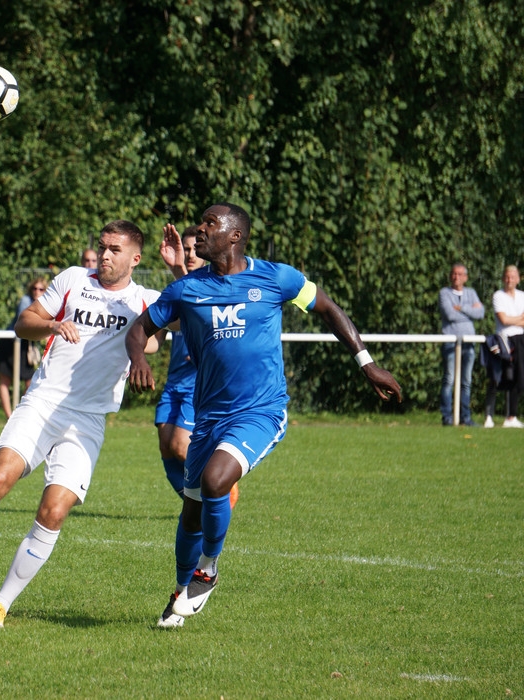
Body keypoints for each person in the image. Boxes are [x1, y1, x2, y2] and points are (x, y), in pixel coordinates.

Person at [127, 204, 402, 621]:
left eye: (210, 224)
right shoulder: (186, 290)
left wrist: (367, 363)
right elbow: (140, 328)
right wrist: (138, 359)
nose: (199, 231)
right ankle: (181, 590)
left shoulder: (276, 277)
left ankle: (208, 570)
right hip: (209, 417)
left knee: (216, 480)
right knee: (192, 512)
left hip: (261, 410)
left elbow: (328, 308)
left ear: (235, 236)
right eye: (200, 224)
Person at [0, 220, 166, 629]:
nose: (104, 255)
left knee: (54, 510)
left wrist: (177, 270)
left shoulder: (145, 300)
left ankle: (0, 604)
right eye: (102, 246)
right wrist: (51, 324)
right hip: (43, 402)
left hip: (88, 421)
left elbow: (186, 310)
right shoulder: (73, 279)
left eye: (114, 250)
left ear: (135, 258)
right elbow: (24, 322)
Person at [154, 227, 237, 628]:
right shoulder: (185, 286)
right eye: (184, 249)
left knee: (182, 448)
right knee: (167, 445)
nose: (189, 253)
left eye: (192, 248)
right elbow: (174, 313)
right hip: (176, 382)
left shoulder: (215, 287)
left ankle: (219, 492)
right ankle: (203, 501)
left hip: (197, 386)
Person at [0, 277, 47, 418]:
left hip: (24, 346)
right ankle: (9, 417)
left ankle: (19, 415)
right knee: (5, 380)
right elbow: (26, 323)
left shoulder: (46, 303)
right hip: (10, 344)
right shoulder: (25, 301)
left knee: (30, 382)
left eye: (41, 289)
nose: (37, 292)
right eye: (34, 288)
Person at [438, 263, 484, 427]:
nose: (456, 277)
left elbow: (481, 313)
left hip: (469, 342)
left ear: (465, 277)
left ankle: (465, 417)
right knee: (449, 379)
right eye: (454, 273)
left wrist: (461, 308)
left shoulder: (471, 293)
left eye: (460, 274)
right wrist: (470, 311)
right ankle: (447, 417)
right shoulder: (444, 293)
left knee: (466, 381)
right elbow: (449, 314)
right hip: (450, 342)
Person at [483, 264, 524, 428]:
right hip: (504, 340)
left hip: (521, 338)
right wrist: (519, 319)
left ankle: (511, 416)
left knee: (518, 377)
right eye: (507, 277)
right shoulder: (498, 296)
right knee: (499, 376)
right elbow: (503, 320)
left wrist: (513, 319)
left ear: (518, 279)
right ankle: (489, 416)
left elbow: (510, 319)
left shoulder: (522, 296)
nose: (509, 280)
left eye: (512, 277)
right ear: (503, 278)